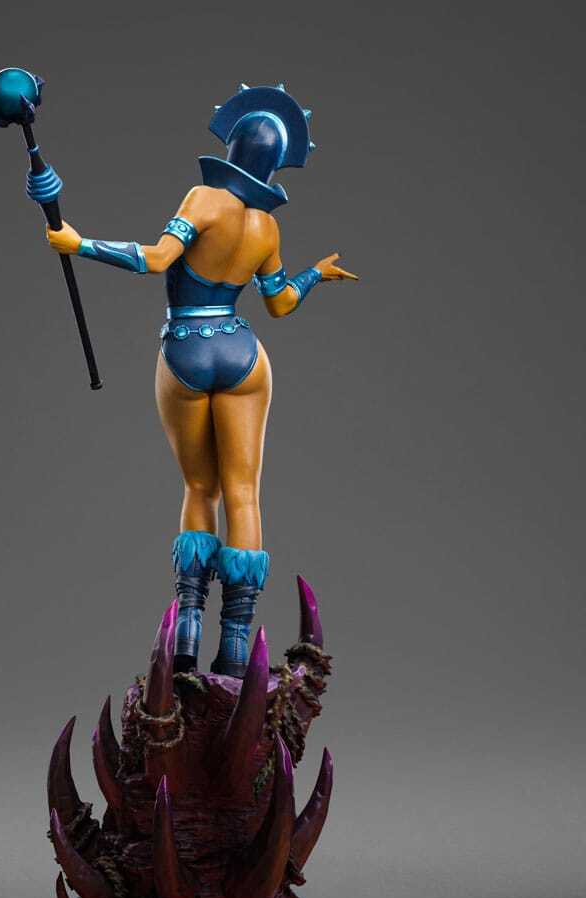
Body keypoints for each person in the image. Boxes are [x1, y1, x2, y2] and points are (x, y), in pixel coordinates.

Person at [45, 84, 356, 678]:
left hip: (187, 347)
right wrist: (315, 274)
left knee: (199, 487)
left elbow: (156, 259)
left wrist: (79, 244)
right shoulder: (266, 228)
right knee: (245, 493)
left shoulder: (204, 199)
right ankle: (235, 646)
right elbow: (280, 304)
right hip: (244, 354)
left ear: (233, 148)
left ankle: (188, 626)